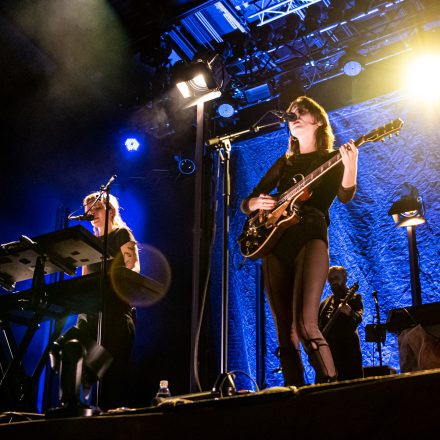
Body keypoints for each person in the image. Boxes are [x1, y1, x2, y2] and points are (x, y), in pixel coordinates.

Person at [240, 96, 358, 386]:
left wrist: (351, 163)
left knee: (306, 325)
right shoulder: (285, 162)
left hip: (310, 235)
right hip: (275, 242)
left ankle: (331, 390)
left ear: (318, 121)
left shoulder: (330, 160)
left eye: (300, 112)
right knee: (284, 332)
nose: (292, 117)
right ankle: (296, 399)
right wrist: (258, 202)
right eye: (290, 114)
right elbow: (248, 203)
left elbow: (345, 196)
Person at [77, 191, 140, 410]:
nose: (92, 215)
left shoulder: (121, 234)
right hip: (91, 310)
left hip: (114, 310)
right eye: (88, 212)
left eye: (96, 209)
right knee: (72, 350)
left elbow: (133, 266)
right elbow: (85, 277)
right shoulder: (90, 242)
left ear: (110, 210)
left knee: (112, 377)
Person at [318, 266, 364, 380]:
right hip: (328, 355)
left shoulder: (354, 298)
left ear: (345, 278)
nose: (333, 281)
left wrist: (349, 312)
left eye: (336, 278)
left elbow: (358, 318)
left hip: (348, 355)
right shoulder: (324, 303)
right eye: (331, 279)